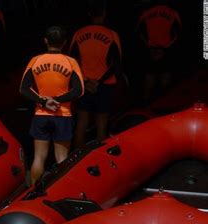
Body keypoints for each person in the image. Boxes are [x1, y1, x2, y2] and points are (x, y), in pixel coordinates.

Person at [20, 26, 84, 185]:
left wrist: (44, 101)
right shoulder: (71, 62)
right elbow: (79, 90)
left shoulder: (35, 60)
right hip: (62, 115)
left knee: (39, 157)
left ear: (46, 41)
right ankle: (60, 191)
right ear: (64, 43)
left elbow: (23, 88)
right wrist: (58, 100)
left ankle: (33, 192)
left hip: (41, 114)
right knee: (62, 158)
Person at [70, 2, 123, 149]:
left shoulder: (78, 34)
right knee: (101, 124)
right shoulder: (112, 35)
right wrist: (98, 82)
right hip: (104, 85)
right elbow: (116, 64)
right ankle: (100, 161)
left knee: (81, 123)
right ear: (104, 13)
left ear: (89, 14)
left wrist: (87, 81)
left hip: (84, 85)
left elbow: (71, 61)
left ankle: (77, 160)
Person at [135, 0, 181, 104]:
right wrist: (165, 48)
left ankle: (146, 105)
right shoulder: (173, 13)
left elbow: (139, 31)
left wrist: (150, 46)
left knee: (149, 78)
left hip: (151, 50)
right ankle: (164, 105)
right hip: (165, 51)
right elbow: (178, 33)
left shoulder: (146, 12)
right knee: (164, 79)